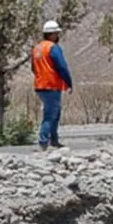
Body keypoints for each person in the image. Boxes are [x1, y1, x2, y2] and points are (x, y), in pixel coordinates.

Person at [31, 20, 73, 151]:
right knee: (50, 115)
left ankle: (54, 140)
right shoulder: (52, 48)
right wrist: (69, 82)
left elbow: (33, 68)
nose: (58, 35)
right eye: (57, 33)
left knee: (55, 113)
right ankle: (44, 142)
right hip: (51, 86)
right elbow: (62, 67)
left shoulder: (37, 48)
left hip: (40, 85)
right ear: (52, 34)